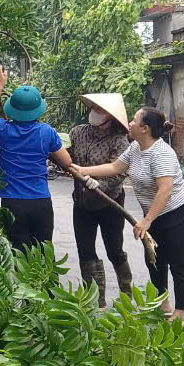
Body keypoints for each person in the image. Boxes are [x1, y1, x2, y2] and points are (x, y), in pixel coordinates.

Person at [72, 107, 184, 322]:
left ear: (145, 128)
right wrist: (83, 170)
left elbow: (164, 190)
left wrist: (146, 221)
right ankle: (163, 303)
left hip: (177, 212)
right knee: (155, 260)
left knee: (179, 262)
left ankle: (179, 312)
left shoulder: (162, 153)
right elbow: (114, 167)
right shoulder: (136, 148)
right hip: (153, 213)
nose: (129, 123)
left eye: (134, 120)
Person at [0, 67, 72, 250]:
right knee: (43, 252)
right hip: (40, 201)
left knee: (19, 254)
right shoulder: (47, 132)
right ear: (38, 111)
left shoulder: (3, 130)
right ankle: (48, 280)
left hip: (12, 202)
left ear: (12, 110)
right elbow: (66, 162)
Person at [69, 93, 133, 308]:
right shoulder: (78, 133)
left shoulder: (119, 140)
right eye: (94, 108)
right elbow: (67, 158)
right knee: (85, 250)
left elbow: (119, 172)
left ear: (110, 118)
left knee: (114, 249)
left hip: (110, 203)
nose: (94, 113)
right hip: (82, 202)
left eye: (100, 110)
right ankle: (97, 301)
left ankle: (126, 294)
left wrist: (100, 186)